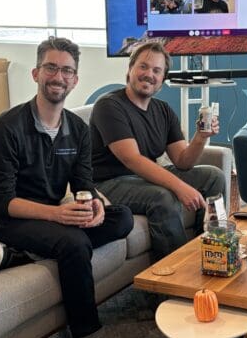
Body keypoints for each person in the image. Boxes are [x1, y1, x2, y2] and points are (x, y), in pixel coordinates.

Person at [0, 36, 134, 338]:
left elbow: (83, 184)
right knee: (74, 244)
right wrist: (60, 216)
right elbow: (2, 202)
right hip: (6, 220)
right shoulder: (6, 129)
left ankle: (21, 255)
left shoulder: (77, 129)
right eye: (51, 67)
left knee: (122, 217)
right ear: (36, 73)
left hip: (47, 220)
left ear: (75, 80)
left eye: (66, 70)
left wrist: (94, 205)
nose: (58, 76)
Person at [90, 41, 226, 261]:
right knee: (162, 197)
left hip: (141, 179)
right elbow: (132, 159)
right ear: (130, 70)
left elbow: (182, 161)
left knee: (213, 177)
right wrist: (180, 187)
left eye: (156, 70)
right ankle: (177, 271)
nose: (149, 75)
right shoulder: (109, 105)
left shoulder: (163, 110)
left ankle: (212, 249)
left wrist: (200, 137)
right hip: (108, 182)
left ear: (162, 79)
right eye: (143, 67)